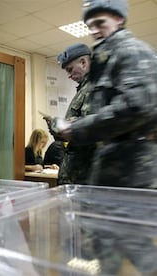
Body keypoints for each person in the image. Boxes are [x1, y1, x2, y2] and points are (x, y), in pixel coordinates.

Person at [49, 0, 157, 274]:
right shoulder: (107, 61)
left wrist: (77, 129)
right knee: (104, 245)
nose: (94, 30)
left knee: (137, 247)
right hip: (109, 172)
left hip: (130, 173)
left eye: (101, 23)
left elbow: (137, 107)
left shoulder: (132, 52)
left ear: (119, 20)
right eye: (91, 25)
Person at [48, 43, 96, 185]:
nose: (70, 76)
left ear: (83, 62)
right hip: (75, 173)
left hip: (84, 175)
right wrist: (56, 128)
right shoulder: (83, 90)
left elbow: (90, 127)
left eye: (70, 70)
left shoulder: (95, 88)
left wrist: (62, 126)